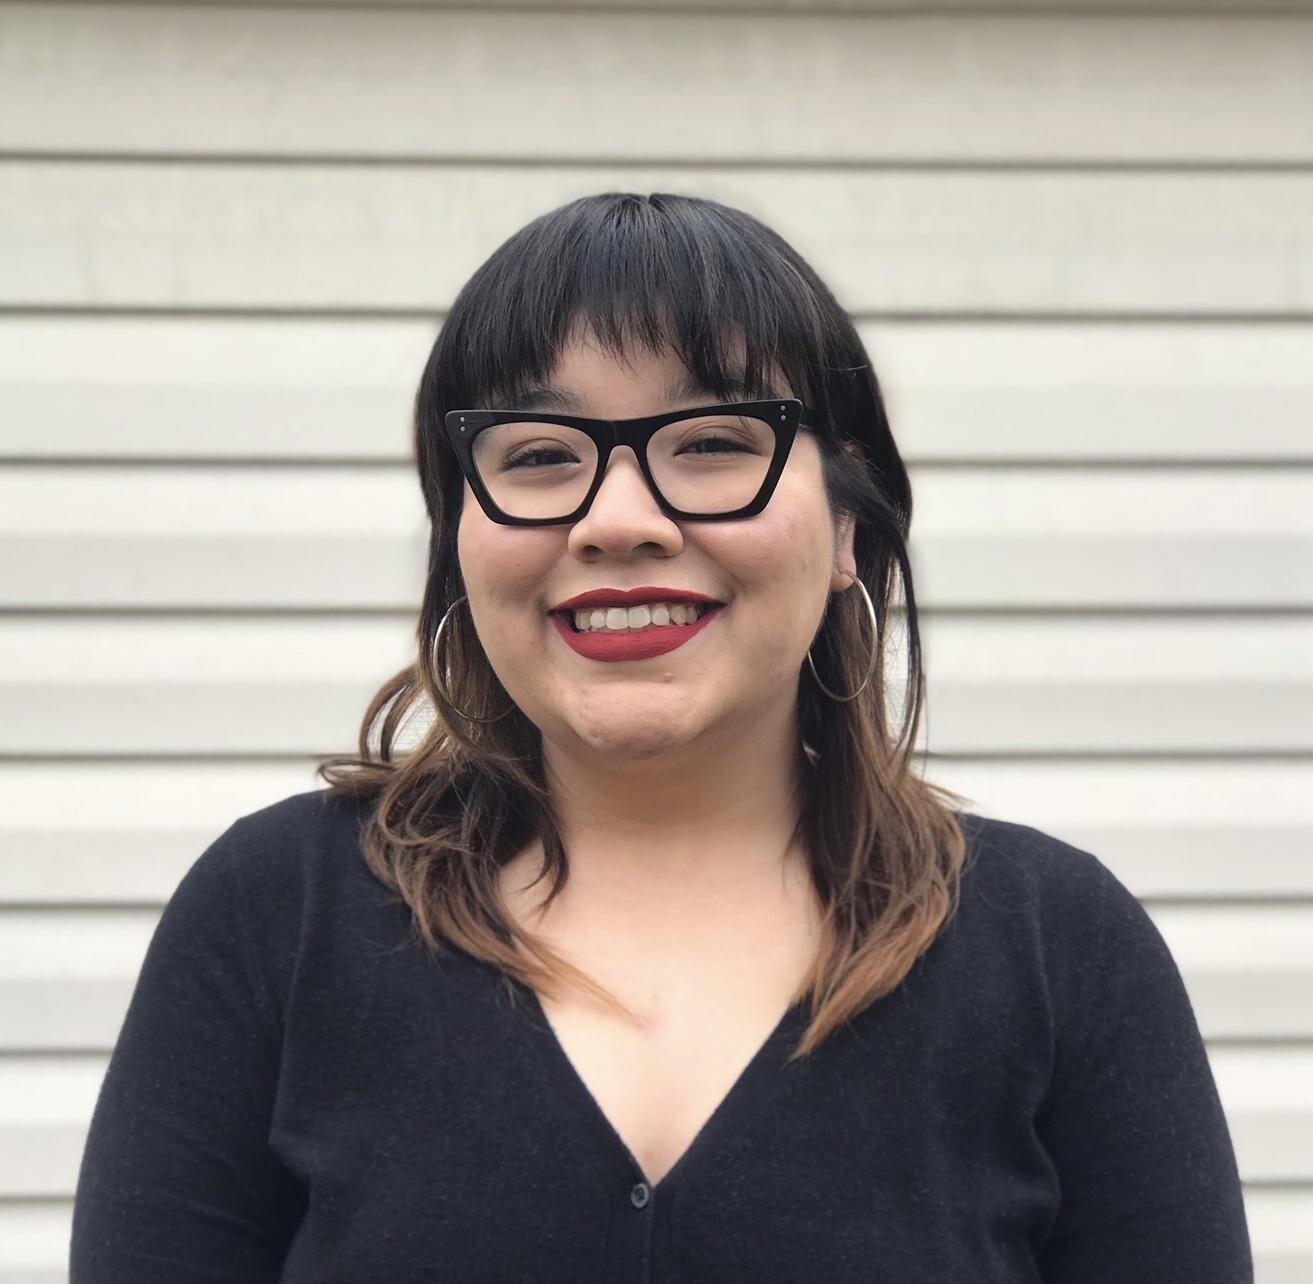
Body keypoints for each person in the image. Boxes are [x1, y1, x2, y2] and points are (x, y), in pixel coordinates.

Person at [69, 192, 1253, 1282]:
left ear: (850, 526)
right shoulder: (273, 920)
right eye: (538, 457)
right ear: (458, 543)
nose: (617, 520)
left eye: (713, 443)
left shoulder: (1059, 951)